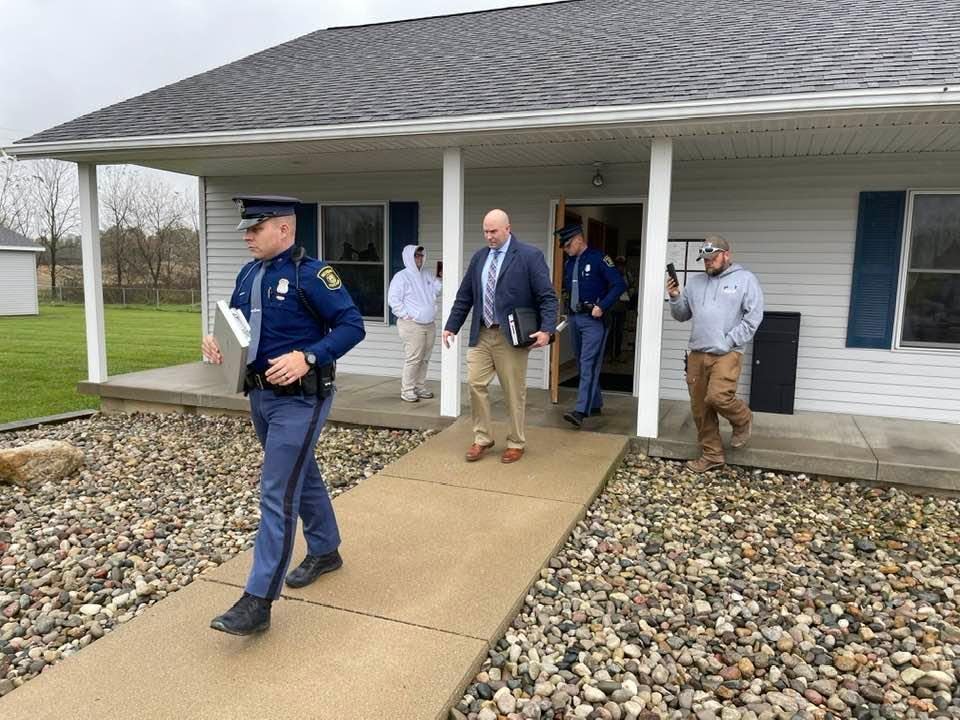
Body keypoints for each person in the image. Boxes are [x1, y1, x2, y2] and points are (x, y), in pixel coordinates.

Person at [201, 195, 365, 635]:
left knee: (276, 491)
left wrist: (309, 356)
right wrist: (215, 341)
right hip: (260, 397)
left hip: (300, 399)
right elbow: (237, 323)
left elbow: (353, 325)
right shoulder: (248, 273)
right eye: (246, 230)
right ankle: (326, 549)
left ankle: (258, 601)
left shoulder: (312, 275)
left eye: (256, 229)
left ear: (285, 230)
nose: (248, 237)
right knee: (299, 473)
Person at [442, 209, 558, 464]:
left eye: (493, 231)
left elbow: (547, 297)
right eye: (485, 231)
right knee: (475, 383)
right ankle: (482, 438)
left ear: (508, 228)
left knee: (513, 391)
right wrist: (451, 326)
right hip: (482, 333)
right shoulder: (479, 258)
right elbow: (465, 296)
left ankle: (516, 442)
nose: (489, 236)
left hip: (511, 336)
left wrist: (547, 330)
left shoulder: (529, 256)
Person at [667, 234, 763, 473]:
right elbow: (681, 315)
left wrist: (729, 341)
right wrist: (675, 296)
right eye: (705, 259)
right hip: (697, 353)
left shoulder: (745, 279)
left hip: (727, 352)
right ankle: (712, 455)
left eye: (712, 257)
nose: (708, 262)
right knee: (700, 408)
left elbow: (753, 318)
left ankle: (742, 419)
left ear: (726, 255)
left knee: (718, 397)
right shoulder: (695, 283)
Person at [556, 224, 626, 429]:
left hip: (594, 320)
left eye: (568, 245)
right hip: (575, 318)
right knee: (581, 362)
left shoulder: (599, 259)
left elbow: (618, 285)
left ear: (579, 240)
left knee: (589, 364)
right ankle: (594, 403)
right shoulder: (569, 263)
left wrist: (602, 306)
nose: (566, 249)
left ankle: (580, 411)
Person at [388, 244, 442, 402]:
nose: (419, 258)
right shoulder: (401, 276)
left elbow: (437, 291)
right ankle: (407, 390)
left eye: (421, 255)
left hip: (429, 324)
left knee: (425, 358)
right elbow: (393, 299)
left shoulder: (426, 274)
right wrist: (406, 315)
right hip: (412, 325)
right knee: (414, 358)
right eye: (416, 255)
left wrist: (440, 277)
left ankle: (419, 387)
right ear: (409, 257)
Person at [606, 256, 633, 362]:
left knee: (619, 331)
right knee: (611, 331)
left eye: (622, 264)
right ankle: (609, 354)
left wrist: (628, 293)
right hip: (611, 306)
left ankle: (617, 354)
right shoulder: (610, 274)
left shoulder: (627, 275)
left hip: (622, 306)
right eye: (618, 264)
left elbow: (633, 287)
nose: (620, 267)